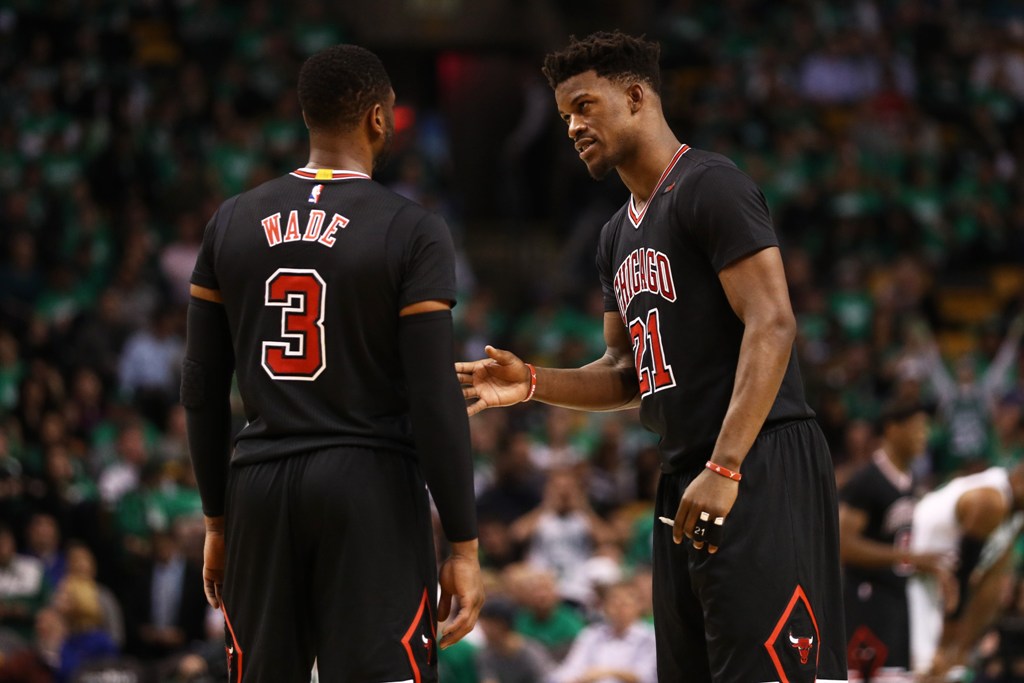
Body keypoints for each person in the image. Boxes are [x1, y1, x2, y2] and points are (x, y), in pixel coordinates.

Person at [457, 31, 847, 682]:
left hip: (756, 459)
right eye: (564, 117)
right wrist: (529, 381)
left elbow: (773, 321)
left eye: (584, 106)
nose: (573, 126)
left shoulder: (710, 185)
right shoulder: (614, 235)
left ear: (636, 96)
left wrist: (727, 464)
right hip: (683, 475)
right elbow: (623, 373)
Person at [181, 44, 483, 682]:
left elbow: (201, 389)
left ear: (306, 116)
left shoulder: (230, 221)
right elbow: (434, 395)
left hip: (259, 485)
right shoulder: (412, 228)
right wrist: (463, 541)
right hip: (368, 482)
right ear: (378, 119)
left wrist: (216, 517)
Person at [838, 399, 948, 680]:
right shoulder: (867, 480)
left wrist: (929, 564)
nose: (924, 436)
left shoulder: (910, 481)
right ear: (892, 429)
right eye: (917, 428)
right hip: (864, 599)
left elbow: (899, 545)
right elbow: (844, 546)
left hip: (896, 599)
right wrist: (908, 557)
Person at [907, 462, 1024, 682]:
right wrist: (944, 648)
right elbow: (961, 575)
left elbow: (993, 581)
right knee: (922, 671)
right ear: (1020, 478)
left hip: (941, 588)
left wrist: (962, 647)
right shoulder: (991, 500)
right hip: (911, 576)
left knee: (947, 672)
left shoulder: (1017, 512)